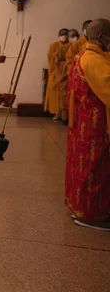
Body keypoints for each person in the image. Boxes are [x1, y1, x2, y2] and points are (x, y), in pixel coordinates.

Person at [66, 18, 110, 231]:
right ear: (102, 37)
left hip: (83, 122)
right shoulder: (94, 59)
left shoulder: (82, 54)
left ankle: (80, 207)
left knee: (82, 168)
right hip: (94, 125)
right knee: (94, 169)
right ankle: (92, 215)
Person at [44, 28, 70, 120]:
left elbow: (71, 59)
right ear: (59, 36)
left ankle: (65, 115)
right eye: (62, 34)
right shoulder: (53, 46)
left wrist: (60, 59)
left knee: (65, 96)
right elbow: (51, 58)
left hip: (67, 74)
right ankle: (57, 114)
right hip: (55, 74)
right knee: (55, 96)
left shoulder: (72, 45)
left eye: (66, 34)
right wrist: (58, 59)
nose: (64, 36)